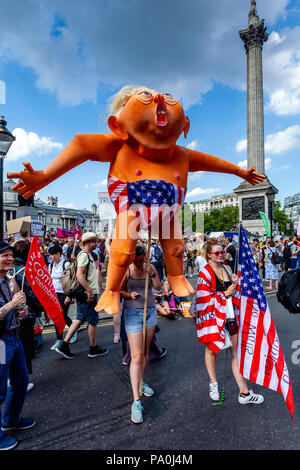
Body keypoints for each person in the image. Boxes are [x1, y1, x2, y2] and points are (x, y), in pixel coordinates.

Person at [196, 238, 264, 406]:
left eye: (222, 251)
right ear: (209, 255)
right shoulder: (205, 272)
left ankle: (244, 392)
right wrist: (224, 294)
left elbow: (234, 293)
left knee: (236, 353)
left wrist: (235, 283)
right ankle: (213, 383)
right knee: (212, 350)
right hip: (213, 317)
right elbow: (202, 299)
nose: (221, 255)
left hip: (230, 315)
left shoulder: (227, 269)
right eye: (217, 253)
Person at [0, 241, 36, 451]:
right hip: (2, 343)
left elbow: (8, 309)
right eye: (5, 255)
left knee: (21, 381)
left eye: (11, 255)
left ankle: (11, 419)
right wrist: (12, 305)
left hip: (14, 338)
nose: (10, 259)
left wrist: (18, 311)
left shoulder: (7, 280)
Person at [120, 245, 161, 424]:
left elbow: (158, 287)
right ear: (132, 259)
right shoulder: (127, 270)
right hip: (133, 314)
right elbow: (118, 291)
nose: (140, 263)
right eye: (137, 260)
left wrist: (153, 274)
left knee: (145, 353)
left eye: (142, 259)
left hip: (150, 312)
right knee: (136, 356)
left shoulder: (149, 267)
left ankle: (141, 381)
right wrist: (129, 295)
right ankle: (136, 401)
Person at [55, 232, 108, 359]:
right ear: (86, 243)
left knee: (80, 318)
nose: (96, 243)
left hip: (86, 293)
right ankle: (93, 348)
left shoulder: (87, 255)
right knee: (93, 320)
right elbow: (79, 275)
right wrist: (89, 291)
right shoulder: (84, 255)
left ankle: (64, 345)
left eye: (96, 241)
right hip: (86, 294)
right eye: (93, 241)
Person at [11, 240, 43, 393]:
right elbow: (33, 293)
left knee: (12, 346)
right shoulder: (25, 271)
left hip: (10, 314)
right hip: (26, 313)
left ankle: (11, 378)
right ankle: (24, 380)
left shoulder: (9, 269)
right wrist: (42, 307)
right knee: (25, 347)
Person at [48, 245, 77, 351]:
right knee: (57, 316)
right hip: (54, 294)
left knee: (62, 315)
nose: (50, 257)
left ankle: (72, 331)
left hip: (64, 294)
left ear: (58, 254)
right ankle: (59, 339)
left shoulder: (66, 264)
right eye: (50, 255)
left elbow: (72, 280)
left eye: (52, 255)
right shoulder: (51, 265)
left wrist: (69, 296)